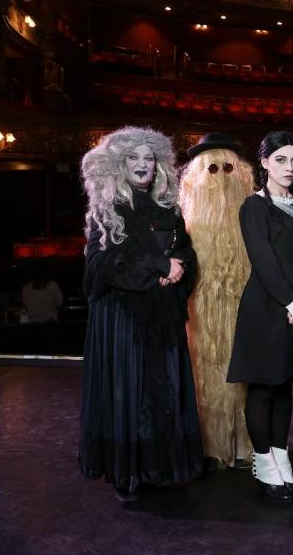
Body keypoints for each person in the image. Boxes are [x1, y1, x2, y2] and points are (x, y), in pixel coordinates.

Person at [78, 126, 203, 502]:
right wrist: (159, 265)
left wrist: (178, 265)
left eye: (149, 158)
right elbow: (100, 267)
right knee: (130, 393)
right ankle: (128, 472)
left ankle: (161, 468)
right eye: (133, 157)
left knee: (163, 391)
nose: (142, 164)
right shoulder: (107, 211)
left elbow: (186, 252)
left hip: (163, 316)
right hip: (125, 320)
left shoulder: (169, 208)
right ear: (119, 164)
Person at [227, 131, 293, 503]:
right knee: (264, 388)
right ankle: (265, 467)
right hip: (266, 311)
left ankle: (283, 465)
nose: (289, 167)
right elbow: (264, 263)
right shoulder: (253, 207)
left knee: (284, 387)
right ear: (264, 163)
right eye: (280, 159)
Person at [179, 132, 255, 471]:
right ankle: (210, 446)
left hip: (244, 311)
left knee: (243, 377)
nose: (221, 178)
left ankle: (245, 445)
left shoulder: (253, 217)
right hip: (201, 315)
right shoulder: (185, 222)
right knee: (206, 374)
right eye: (212, 169)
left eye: (228, 168)